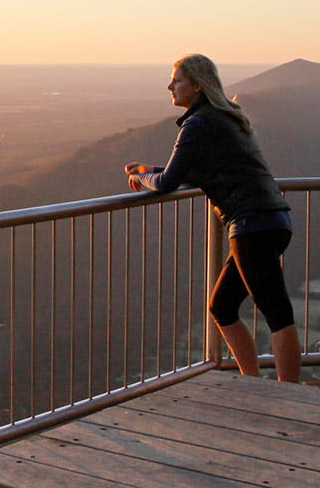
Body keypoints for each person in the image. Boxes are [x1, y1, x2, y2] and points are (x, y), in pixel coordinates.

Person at [126, 53, 301, 382]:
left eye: (176, 80)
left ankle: (291, 397)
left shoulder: (199, 123)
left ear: (195, 85)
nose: (170, 86)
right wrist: (148, 171)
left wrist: (141, 176)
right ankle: (253, 383)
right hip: (271, 220)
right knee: (222, 306)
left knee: (277, 312)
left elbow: (167, 183)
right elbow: (188, 172)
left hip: (252, 226)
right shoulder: (224, 117)